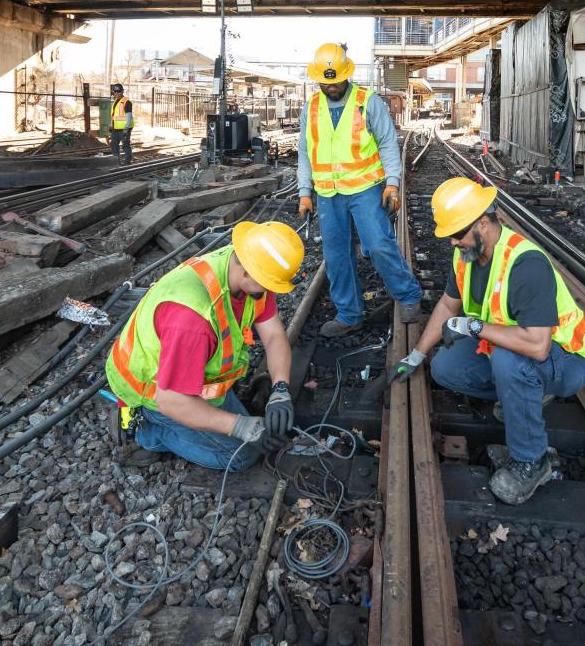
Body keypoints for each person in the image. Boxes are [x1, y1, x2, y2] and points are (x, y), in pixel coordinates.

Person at [389, 178, 585, 505]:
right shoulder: (467, 257)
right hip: (515, 349)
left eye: (457, 234)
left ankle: (532, 460)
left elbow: (538, 346)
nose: (453, 243)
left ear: (483, 224)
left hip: (567, 360)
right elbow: (446, 305)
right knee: (444, 366)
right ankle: (522, 396)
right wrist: (416, 355)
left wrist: (475, 326)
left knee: (509, 361)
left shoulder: (526, 264)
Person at [106, 221, 303, 471]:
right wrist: (242, 427)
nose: (269, 291)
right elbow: (171, 401)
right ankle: (147, 432)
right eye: (267, 284)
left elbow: (274, 334)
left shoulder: (244, 265)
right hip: (155, 394)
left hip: (197, 381)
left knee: (246, 427)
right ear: (247, 272)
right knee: (242, 456)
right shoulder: (194, 320)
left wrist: (281, 389)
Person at [298, 42, 421, 337]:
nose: (332, 87)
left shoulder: (368, 101)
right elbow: (305, 151)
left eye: (337, 81)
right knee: (336, 255)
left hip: (365, 188)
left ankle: (408, 295)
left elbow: (389, 143)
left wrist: (392, 184)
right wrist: (305, 191)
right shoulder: (312, 107)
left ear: (347, 75)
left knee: (378, 245)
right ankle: (349, 314)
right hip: (328, 194)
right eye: (326, 82)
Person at [109, 83, 133, 165]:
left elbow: (129, 116)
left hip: (124, 129)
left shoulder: (126, 102)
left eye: (119, 91)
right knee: (114, 144)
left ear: (122, 91)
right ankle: (116, 162)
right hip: (115, 128)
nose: (117, 93)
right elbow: (114, 116)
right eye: (115, 91)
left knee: (125, 145)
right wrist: (111, 125)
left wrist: (126, 128)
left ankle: (127, 163)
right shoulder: (115, 101)